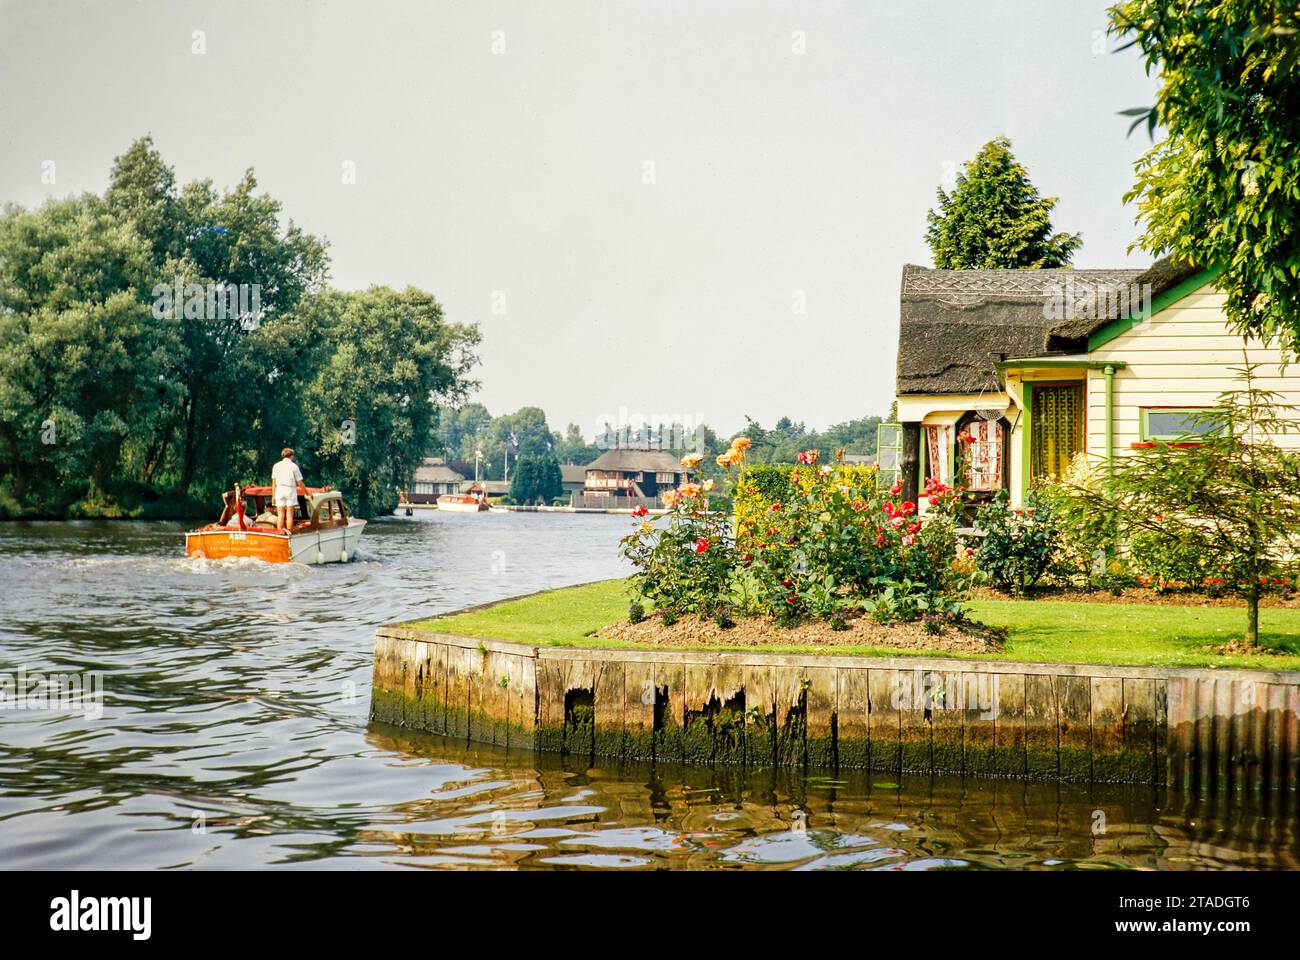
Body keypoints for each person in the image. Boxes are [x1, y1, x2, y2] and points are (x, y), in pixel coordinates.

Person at [271, 447, 304, 532]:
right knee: (289, 515)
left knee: (280, 515)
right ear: (292, 456)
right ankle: (289, 533)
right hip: (290, 490)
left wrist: (273, 496)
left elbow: (274, 483)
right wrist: (306, 492)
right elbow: (300, 482)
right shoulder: (294, 466)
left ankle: (280, 532)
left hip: (279, 490)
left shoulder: (276, 466)